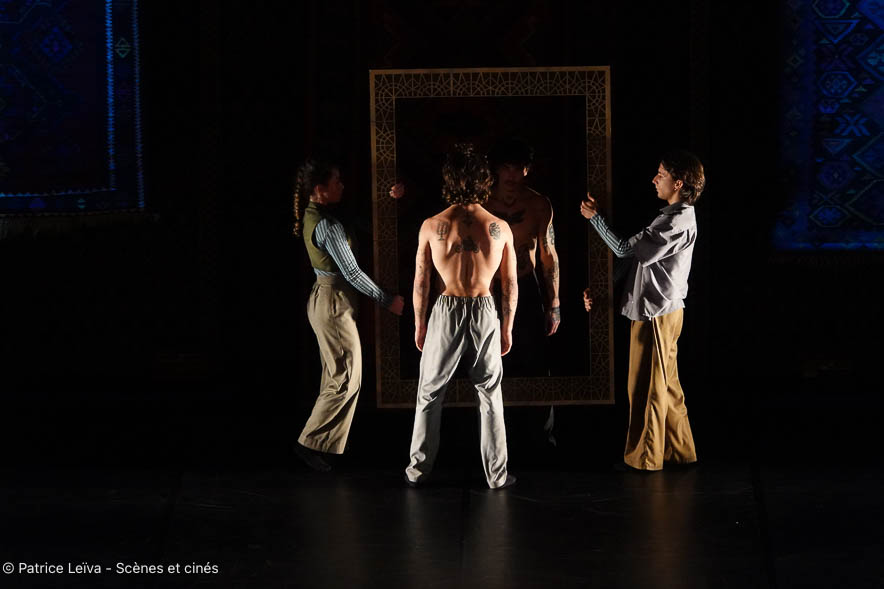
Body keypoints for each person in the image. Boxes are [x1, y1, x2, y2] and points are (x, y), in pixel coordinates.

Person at [580, 150, 705, 472]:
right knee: (667, 385)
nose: (654, 179)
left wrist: (595, 219)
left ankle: (646, 458)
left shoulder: (674, 221)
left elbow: (624, 249)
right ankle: (679, 450)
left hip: (656, 314)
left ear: (679, 183)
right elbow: (635, 259)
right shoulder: (673, 217)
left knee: (646, 387)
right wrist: (605, 288)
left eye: (661, 174)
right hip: (662, 312)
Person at [405, 143, 518, 490]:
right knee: (490, 394)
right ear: (484, 181)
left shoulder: (432, 225)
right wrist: (507, 327)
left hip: (447, 307)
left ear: (449, 180)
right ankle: (497, 476)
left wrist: (420, 323)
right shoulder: (500, 227)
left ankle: (417, 472)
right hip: (484, 307)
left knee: (429, 393)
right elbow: (510, 284)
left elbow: (421, 281)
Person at [292, 158, 405, 471]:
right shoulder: (326, 225)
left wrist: (390, 199)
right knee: (345, 378)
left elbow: (360, 222)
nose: (341, 186)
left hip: (329, 300)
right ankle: (309, 443)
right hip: (332, 303)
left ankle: (319, 444)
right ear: (320, 189)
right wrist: (387, 300)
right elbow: (352, 273)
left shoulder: (322, 215)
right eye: (336, 181)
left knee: (337, 376)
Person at [485, 138, 561, 378]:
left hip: (525, 285)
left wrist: (554, 302)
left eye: (517, 169)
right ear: (497, 169)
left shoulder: (538, 205)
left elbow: (548, 254)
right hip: (489, 288)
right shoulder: (482, 202)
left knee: (534, 360)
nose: (511, 175)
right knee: (489, 361)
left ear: (526, 170)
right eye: (506, 168)